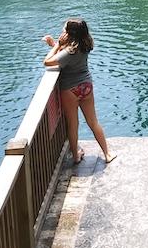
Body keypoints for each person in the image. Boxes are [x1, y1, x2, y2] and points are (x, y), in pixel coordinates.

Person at [42, 19, 115, 165]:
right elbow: (65, 56)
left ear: (69, 34)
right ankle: (107, 153)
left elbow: (47, 62)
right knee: (93, 122)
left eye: (64, 30)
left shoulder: (68, 51)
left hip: (70, 90)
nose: (62, 32)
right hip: (86, 86)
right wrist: (56, 45)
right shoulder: (85, 44)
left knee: (73, 124)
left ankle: (75, 156)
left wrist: (57, 45)